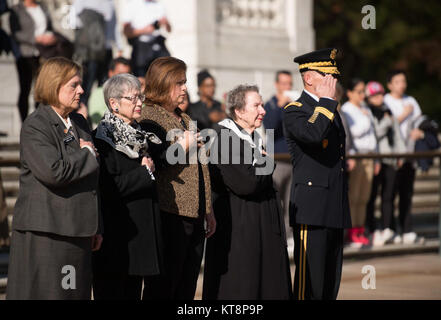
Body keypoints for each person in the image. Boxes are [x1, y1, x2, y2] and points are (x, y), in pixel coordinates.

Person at [6, 57, 101, 300]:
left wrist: (97, 224)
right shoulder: (36, 124)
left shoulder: (79, 122)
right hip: (47, 233)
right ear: (53, 85)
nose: (81, 90)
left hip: (79, 231)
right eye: (74, 85)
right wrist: (87, 153)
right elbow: (55, 172)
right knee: (51, 294)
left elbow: (91, 179)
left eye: (80, 84)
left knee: (73, 294)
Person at [202, 84, 292, 300]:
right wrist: (265, 163)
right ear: (239, 111)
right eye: (257, 105)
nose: (263, 110)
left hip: (258, 226)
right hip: (239, 231)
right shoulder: (223, 138)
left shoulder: (249, 136)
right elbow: (247, 183)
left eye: (262, 104)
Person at [138, 56, 216, 299]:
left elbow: (202, 166)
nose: (185, 88)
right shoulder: (148, 118)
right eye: (179, 83)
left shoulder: (185, 118)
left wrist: (208, 209)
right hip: (170, 212)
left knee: (187, 285)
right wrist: (184, 145)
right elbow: (157, 161)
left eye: (185, 82)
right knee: (164, 286)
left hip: (195, 212)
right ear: (162, 83)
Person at [283, 48, 351, 300]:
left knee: (330, 281)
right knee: (310, 284)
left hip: (333, 203)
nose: (333, 82)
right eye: (326, 76)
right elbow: (313, 135)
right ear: (309, 78)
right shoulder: (295, 109)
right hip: (311, 206)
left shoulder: (329, 108)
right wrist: (326, 103)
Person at [92, 73, 163, 300]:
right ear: (114, 104)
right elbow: (108, 188)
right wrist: (144, 173)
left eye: (139, 97)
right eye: (132, 99)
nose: (139, 103)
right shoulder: (102, 140)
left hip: (140, 237)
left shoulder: (141, 136)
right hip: (116, 238)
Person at [384, 70, 425, 244]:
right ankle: (390, 229)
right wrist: (404, 115)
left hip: (409, 154)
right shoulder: (385, 101)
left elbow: (420, 121)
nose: (402, 84)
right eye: (398, 81)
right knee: (389, 193)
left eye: (404, 81)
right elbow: (386, 126)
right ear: (390, 84)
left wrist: (420, 132)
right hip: (392, 155)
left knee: (406, 193)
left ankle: (407, 228)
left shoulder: (411, 101)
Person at [364, 81, 406, 246]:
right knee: (372, 196)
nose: (379, 98)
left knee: (388, 196)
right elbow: (375, 133)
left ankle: (388, 228)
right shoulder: (368, 112)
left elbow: (397, 135)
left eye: (380, 94)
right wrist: (386, 123)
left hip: (390, 159)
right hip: (376, 160)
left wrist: (401, 155)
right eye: (375, 95)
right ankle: (371, 229)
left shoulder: (387, 111)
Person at [341, 79, 378, 247]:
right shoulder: (347, 110)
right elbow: (351, 134)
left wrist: (376, 158)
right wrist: (365, 121)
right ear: (349, 93)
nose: (362, 95)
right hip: (357, 156)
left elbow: (373, 136)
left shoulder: (365, 109)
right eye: (359, 92)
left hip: (369, 156)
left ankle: (359, 228)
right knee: (354, 196)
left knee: (364, 196)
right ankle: (351, 231)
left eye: (364, 92)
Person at [9, 0, 57, 122]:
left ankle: (39, 122)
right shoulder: (16, 10)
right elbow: (16, 33)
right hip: (25, 54)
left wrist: (50, 37)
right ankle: (24, 123)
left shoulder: (42, 7)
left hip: (43, 54)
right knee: (25, 88)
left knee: (41, 89)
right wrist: (36, 39)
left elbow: (50, 26)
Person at [72, 0, 123, 107]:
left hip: (106, 50)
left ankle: (103, 116)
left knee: (105, 87)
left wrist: (119, 47)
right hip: (89, 52)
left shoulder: (110, 3)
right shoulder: (81, 2)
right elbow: (74, 23)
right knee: (86, 86)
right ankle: (82, 115)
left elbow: (114, 27)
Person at [263, 70, 295, 232]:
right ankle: (275, 234)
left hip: (293, 160)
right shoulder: (270, 104)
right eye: (284, 84)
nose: (287, 87)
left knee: (292, 202)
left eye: (289, 83)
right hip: (277, 160)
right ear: (277, 85)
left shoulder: (295, 104)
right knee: (275, 201)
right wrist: (280, 107)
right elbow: (269, 127)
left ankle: (289, 236)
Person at [122, 0, 171, 77]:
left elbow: (169, 29)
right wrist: (144, 30)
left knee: (167, 71)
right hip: (141, 48)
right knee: (141, 78)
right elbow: (126, 31)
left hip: (158, 45)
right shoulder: (132, 5)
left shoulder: (159, 5)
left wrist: (166, 23)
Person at [88, 57, 131, 127]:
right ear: (110, 73)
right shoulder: (99, 93)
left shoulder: (134, 94)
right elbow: (96, 117)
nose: (124, 78)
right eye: (120, 74)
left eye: (127, 75)